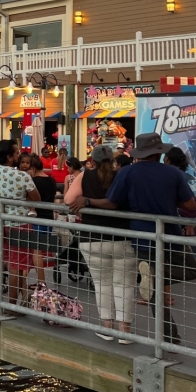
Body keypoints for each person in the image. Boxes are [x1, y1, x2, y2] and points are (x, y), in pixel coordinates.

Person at [72, 133, 196, 342]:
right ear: (159, 153)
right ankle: (169, 334)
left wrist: (87, 201)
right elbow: (190, 207)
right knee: (191, 269)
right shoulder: (173, 174)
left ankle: (167, 331)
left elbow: (112, 203)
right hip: (170, 233)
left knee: (153, 289)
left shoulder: (128, 172)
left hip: (141, 235)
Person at [66, 145, 135, 342]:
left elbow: (69, 199)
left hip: (92, 238)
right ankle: (125, 332)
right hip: (123, 237)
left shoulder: (84, 176)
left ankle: (107, 328)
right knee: (125, 284)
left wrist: (83, 202)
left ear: (92, 161)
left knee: (102, 284)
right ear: (113, 160)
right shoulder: (121, 175)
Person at [0, 140, 41, 308]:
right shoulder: (23, 176)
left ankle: (20, 299)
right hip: (20, 225)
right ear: (10, 157)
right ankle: (12, 306)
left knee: (11, 262)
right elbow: (37, 198)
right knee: (17, 268)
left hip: (0, 223)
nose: (19, 156)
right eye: (17, 153)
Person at [29, 154, 57, 283]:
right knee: (38, 250)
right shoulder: (51, 180)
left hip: (36, 219)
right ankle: (37, 281)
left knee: (36, 252)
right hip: (49, 218)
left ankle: (41, 281)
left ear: (33, 168)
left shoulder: (33, 182)